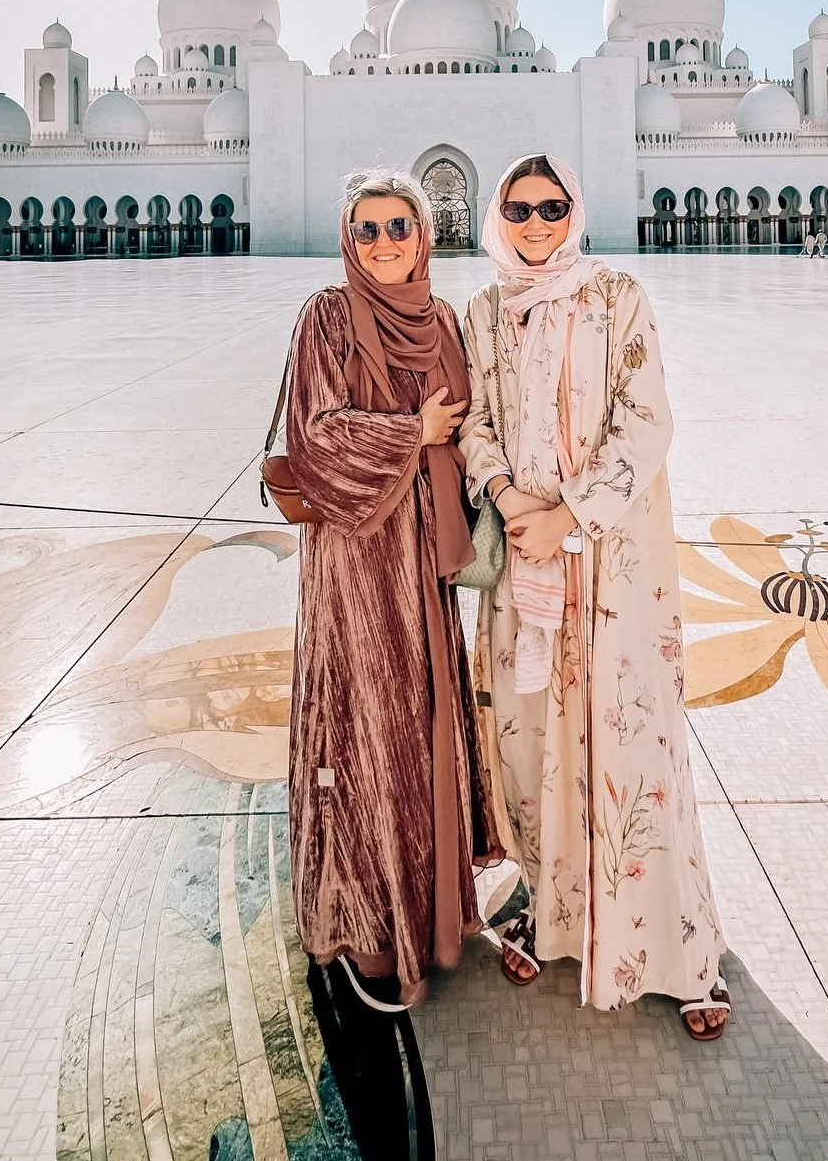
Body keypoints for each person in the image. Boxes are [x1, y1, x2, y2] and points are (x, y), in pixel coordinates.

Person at [458, 155, 730, 1038]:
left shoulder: (618, 295)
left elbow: (646, 419)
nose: (536, 223)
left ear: (575, 210)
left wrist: (568, 515)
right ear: (498, 215)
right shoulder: (486, 309)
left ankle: (681, 952)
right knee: (533, 740)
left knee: (631, 739)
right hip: (527, 563)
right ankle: (555, 910)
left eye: (552, 207)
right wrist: (508, 502)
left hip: (611, 566)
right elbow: (476, 422)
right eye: (519, 208)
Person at [283, 168, 503, 1010]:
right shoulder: (327, 318)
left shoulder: (442, 318)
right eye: (367, 229)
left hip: (424, 562)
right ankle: (367, 921)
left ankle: (434, 906)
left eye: (399, 227)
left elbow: (479, 420)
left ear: (425, 234)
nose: (384, 245)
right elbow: (318, 439)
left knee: (422, 722)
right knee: (368, 728)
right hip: (358, 562)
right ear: (348, 237)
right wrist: (413, 431)